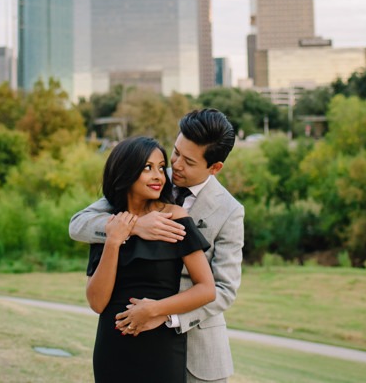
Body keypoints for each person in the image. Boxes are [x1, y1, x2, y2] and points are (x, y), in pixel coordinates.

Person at [71, 108, 244, 383]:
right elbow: (80, 223)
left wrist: (163, 315)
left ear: (214, 167)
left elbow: (223, 290)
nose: (175, 167)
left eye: (188, 161)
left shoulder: (229, 211)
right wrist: (134, 226)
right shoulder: (148, 176)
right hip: (124, 345)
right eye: (175, 152)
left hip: (199, 352)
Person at [85, 135, 216, 383]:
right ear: (125, 171)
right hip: (113, 347)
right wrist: (113, 241)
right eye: (148, 168)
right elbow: (97, 303)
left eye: (160, 167)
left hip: (161, 347)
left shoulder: (174, 217)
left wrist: (154, 310)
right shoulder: (108, 224)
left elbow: (207, 289)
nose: (159, 175)